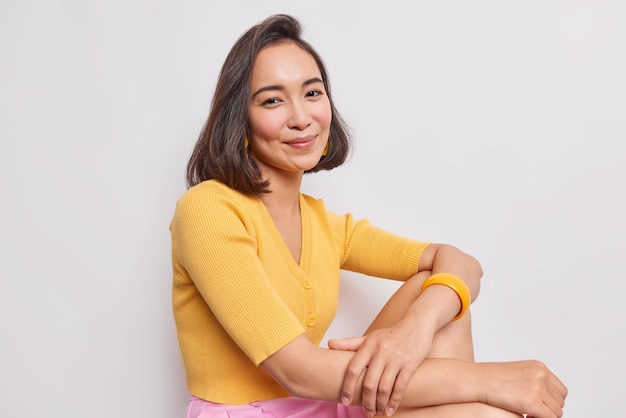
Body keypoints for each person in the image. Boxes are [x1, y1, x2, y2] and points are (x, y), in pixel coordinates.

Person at [170, 13, 567, 418]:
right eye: (272, 100)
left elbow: (461, 263)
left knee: (437, 288)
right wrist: (489, 382)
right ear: (241, 119)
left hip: (326, 404)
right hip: (251, 412)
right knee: (486, 412)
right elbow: (299, 372)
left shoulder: (327, 226)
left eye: (312, 93)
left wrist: (414, 331)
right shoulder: (208, 209)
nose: (301, 117)